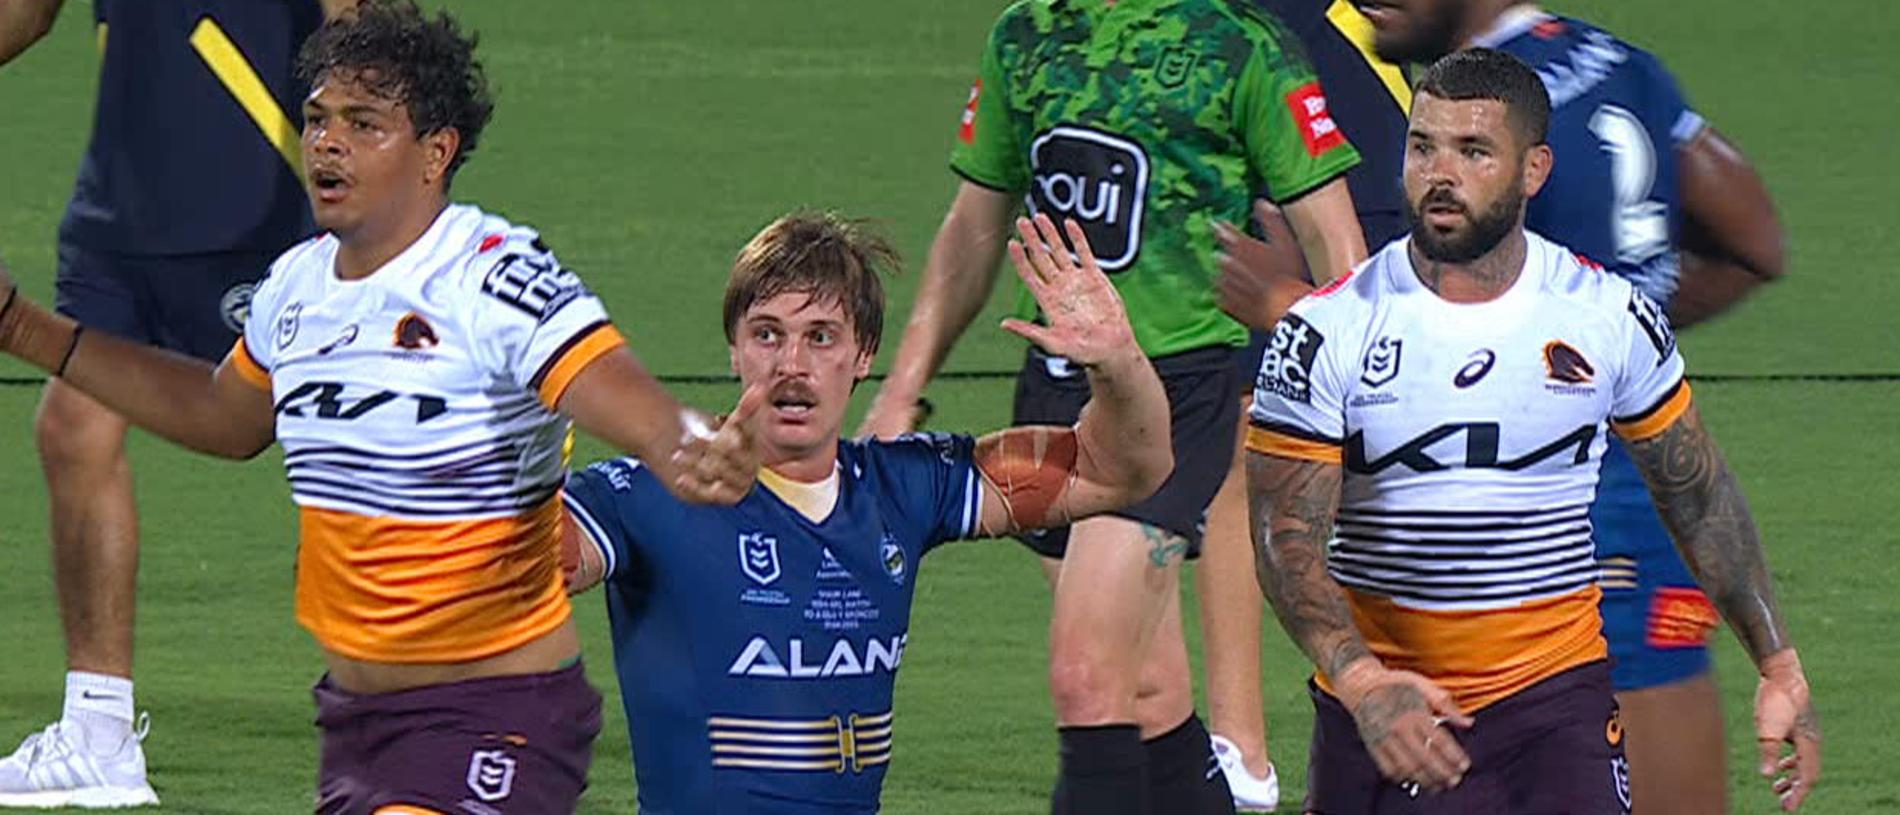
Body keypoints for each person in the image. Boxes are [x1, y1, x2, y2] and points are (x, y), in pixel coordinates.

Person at [0, 2, 761, 811]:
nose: (327, 142)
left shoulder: (492, 276)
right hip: (359, 724)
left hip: (495, 716)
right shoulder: (298, 285)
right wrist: (19, 326)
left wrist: (682, 441)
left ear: (436, 151)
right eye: (319, 119)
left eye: (365, 125)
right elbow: (226, 418)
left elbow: (614, 388)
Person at [1246, 48, 1819, 814]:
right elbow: (1285, 538)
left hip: (1557, 711)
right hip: (1386, 715)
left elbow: (1698, 493)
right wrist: (1361, 682)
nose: (1439, 174)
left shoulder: (1605, 316)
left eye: (1474, 151)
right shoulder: (1328, 330)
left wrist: (1778, 663)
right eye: (1423, 146)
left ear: (1533, 169)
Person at [859, 2, 1369, 810]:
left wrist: (1360, 397)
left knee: (1086, 672)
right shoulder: (1028, 33)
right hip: (1057, 393)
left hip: (1179, 399)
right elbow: (974, 226)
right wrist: (900, 390)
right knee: (1148, 689)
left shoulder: (1243, 46)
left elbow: (1338, 245)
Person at [561, 211, 1172, 813]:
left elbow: (1121, 469)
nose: (791, 364)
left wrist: (1117, 362)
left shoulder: (902, 489)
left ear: (863, 355)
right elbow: (533, 565)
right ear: (734, 350)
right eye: (767, 334)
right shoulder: (648, 494)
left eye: (821, 337)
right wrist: (529, 474)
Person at [0, 0, 357, 807]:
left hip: (267, 205)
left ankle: (433, 696)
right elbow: (24, 15)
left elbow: (365, 25)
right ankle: (97, 730)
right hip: (119, 216)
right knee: (71, 422)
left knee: (337, 435)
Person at [1197, 2, 1415, 805]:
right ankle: (1241, 749)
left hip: (1347, 63)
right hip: (1274, 53)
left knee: (1365, 425)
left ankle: (1262, 741)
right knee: (1260, 426)